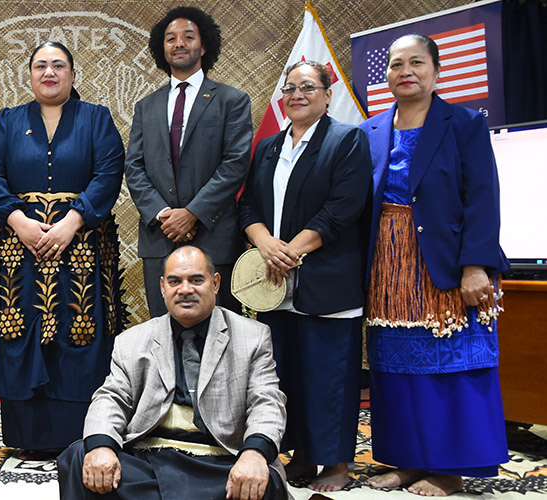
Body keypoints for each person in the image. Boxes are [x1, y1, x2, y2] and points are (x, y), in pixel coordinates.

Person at [360, 34, 509, 497]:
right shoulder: (372, 129)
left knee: (451, 364)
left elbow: (482, 197)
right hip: (386, 264)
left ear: (436, 70)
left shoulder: (463, 122)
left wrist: (475, 265)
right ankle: (406, 460)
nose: (405, 71)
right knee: (395, 364)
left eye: (416, 62)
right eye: (396, 63)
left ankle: (449, 467)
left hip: (445, 262)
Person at [0, 41, 128, 459]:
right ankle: (26, 436)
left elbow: (108, 173)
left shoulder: (96, 118)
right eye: (40, 65)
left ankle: (81, 434)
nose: (49, 72)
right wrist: (18, 220)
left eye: (58, 65)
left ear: (72, 74)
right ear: (29, 76)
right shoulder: (8, 121)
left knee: (78, 332)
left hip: (80, 249)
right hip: (19, 251)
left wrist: (73, 221)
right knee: (20, 333)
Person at [57, 246, 288, 500]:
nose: (185, 289)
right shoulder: (133, 340)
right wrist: (101, 445)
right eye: (175, 281)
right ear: (162, 287)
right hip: (150, 457)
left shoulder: (252, 336)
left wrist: (253, 454)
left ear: (215, 283)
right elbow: (111, 397)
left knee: (260, 481)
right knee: (80, 457)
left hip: (219, 460)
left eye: (197, 280)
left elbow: (267, 402)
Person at [238, 60, 371, 492]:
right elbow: (247, 206)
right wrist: (264, 244)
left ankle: (333, 462)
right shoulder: (268, 147)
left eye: (308, 87)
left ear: (328, 94)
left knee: (329, 373)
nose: (296, 94)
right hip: (274, 282)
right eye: (290, 87)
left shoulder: (346, 140)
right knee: (286, 373)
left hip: (326, 278)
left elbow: (343, 208)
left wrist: (291, 251)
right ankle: (298, 455)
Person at [125, 6, 253, 317]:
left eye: (188, 37)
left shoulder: (231, 100)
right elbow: (134, 167)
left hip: (214, 236)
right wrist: (163, 214)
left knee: (219, 334)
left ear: (204, 45)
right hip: (160, 236)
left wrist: (193, 213)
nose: (179, 43)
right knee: (163, 336)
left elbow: (235, 163)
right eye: (171, 38)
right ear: (162, 47)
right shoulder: (146, 106)